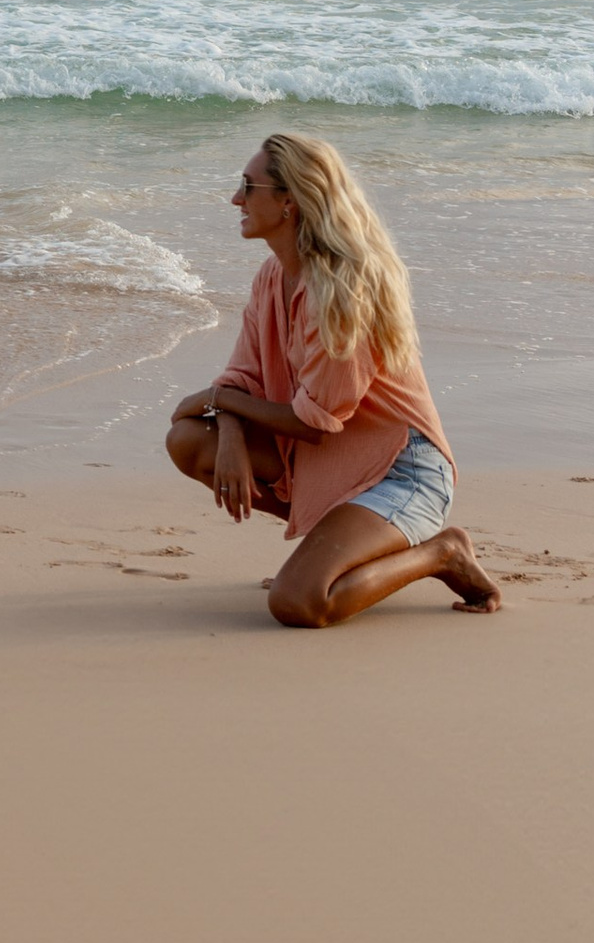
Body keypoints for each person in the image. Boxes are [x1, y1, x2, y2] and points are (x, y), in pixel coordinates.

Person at [167, 132, 500, 627]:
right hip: (328, 457)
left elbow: (314, 423)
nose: (235, 199)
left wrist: (216, 399)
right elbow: (240, 380)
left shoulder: (340, 292)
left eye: (246, 185)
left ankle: (442, 553)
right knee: (190, 439)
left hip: (401, 470)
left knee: (299, 602)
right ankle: (333, 546)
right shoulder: (270, 277)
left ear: (289, 202)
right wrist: (229, 426)